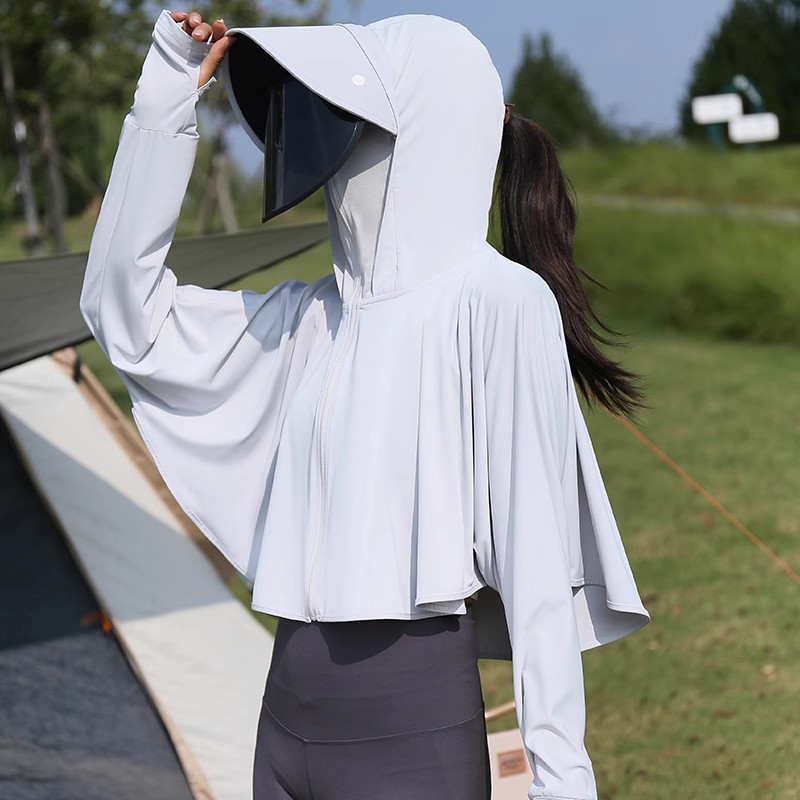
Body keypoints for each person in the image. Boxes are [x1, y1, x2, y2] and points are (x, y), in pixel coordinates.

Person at [79, 8, 652, 800]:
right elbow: (121, 314)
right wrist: (167, 93)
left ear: (423, 130)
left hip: (409, 741)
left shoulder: (500, 303)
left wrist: (562, 783)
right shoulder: (311, 315)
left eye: (348, 115)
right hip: (281, 724)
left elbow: (538, 573)